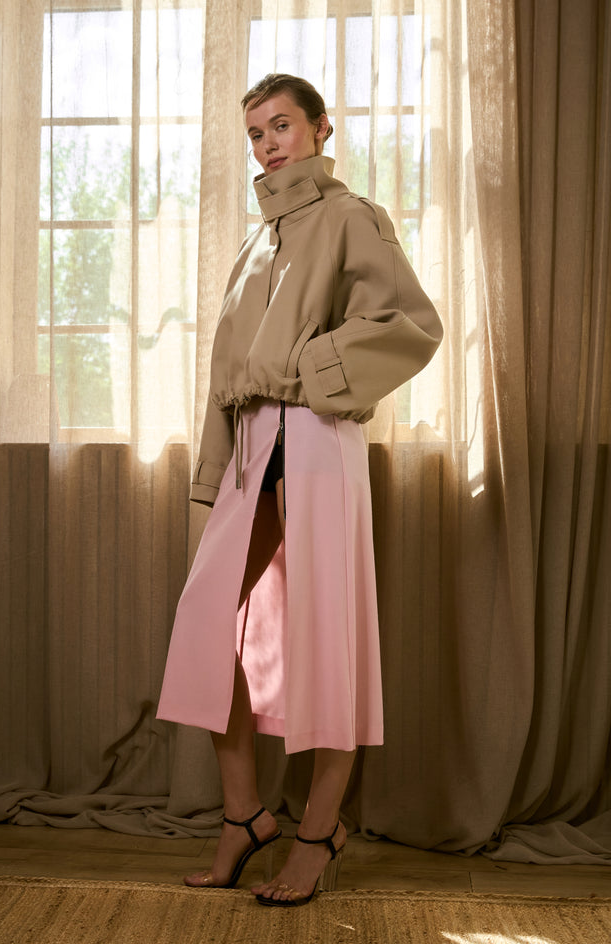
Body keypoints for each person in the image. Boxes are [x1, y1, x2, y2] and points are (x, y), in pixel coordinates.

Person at [157, 73, 443, 906]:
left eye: (282, 125)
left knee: (329, 639)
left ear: (321, 130)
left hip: (316, 439)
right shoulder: (253, 250)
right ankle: (244, 817)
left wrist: (309, 371)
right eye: (255, 133)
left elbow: (407, 324)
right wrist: (211, 483)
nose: (269, 143)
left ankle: (318, 832)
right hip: (252, 450)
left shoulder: (354, 218)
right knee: (209, 627)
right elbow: (223, 380)